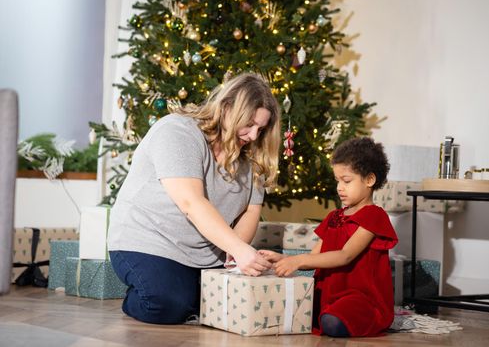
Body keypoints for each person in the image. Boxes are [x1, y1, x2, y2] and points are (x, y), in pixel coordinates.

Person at [107, 73, 281, 324]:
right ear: (227, 108)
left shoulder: (251, 159)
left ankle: (188, 294)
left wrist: (233, 258)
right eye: (249, 124)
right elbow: (191, 202)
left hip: (205, 255)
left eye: (261, 129)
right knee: (165, 304)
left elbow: (250, 212)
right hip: (148, 240)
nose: (254, 135)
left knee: (213, 302)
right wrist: (239, 250)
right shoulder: (178, 131)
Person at [259, 137, 398, 337]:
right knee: (292, 312)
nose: (339, 187)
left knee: (333, 322)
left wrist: (298, 260)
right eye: (337, 181)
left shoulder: (374, 216)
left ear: (369, 180)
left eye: (347, 181)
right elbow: (315, 256)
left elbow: (345, 256)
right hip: (327, 293)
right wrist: (284, 259)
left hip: (359, 296)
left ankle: (344, 318)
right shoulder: (334, 217)